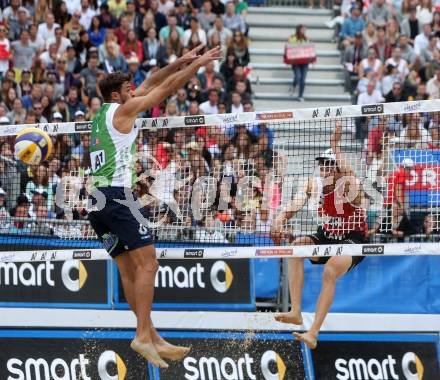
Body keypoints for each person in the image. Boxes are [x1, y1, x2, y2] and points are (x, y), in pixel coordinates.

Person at [87, 45, 222, 367]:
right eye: (128, 90)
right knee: (149, 265)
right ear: (118, 95)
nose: (134, 91)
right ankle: (142, 336)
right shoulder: (123, 111)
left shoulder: (103, 113)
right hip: (118, 198)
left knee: (128, 269)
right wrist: (198, 66)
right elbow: (162, 90)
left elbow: (151, 81)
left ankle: (151, 334)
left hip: (97, 202)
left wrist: (180, 60)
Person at [271, 122, 367, 349]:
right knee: (296, 248)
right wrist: (278, 220)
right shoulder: (312, 185)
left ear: (337, 170)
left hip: (351, 240)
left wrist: (335, 145)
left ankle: (313, 332)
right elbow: (292, 206)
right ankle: (295, 311)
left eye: (329, 167)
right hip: (325, 236)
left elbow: (351, 175)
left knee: (329, 271)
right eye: (321, 167)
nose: (324, 171)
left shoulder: (348, 185)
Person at [288, 24, 310, 102]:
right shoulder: (293, 38)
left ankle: (300, 95)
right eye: (303, 29)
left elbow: (309, 49)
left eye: (305, 29)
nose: (304, 31)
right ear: (299, 29)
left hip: (304, 61)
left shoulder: (306, 38)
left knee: (303, 80)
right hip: (296, 61)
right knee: (298, 77)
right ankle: (294, 86)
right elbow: (290, 47)